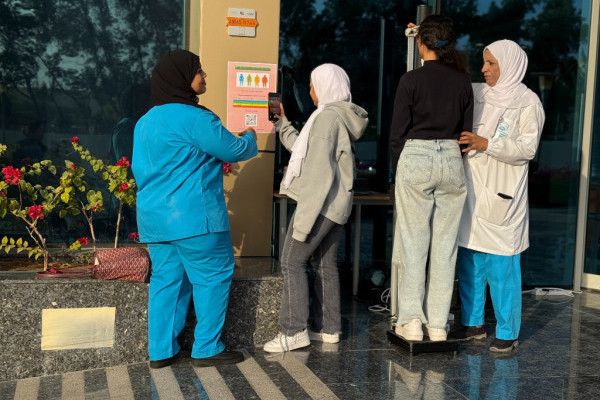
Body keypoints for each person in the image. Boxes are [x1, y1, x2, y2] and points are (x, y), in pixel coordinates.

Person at [132, 50, 258, 368]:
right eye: (199, 71)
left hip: (156, 222)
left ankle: (161, 351)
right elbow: (233, 150)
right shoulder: (196, 118)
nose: (204, 76)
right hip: (194, 219)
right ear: (182, 77)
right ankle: (207, 348)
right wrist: (251, 138)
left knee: (166, 282)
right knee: (213, 275)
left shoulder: (144, 122)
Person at [263, 63, 368, 352]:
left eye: (312, 85)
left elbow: (318, 175)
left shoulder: (326, 120)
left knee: (291, 261)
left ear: (324, 87)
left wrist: (303, 222)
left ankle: (294, 330)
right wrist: (282, 124)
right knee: (324, 264)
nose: (309, 91)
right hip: (335, 205)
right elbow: (304, 150)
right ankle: (328, 328)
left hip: (320, 205)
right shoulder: (336, 117)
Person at [455, 39, 545, 353]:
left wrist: (487, 143)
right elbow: (449, 85)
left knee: (502, 268)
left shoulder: (528, 102)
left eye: (491, 63)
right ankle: (473, 323)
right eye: (484, 62)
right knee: (470, 262)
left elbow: (527, 149)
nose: (484, 69)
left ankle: (508, 331)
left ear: (509, 65)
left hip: (501, 195)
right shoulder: (478, 93)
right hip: (472, 193)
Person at [390, 15, 473, 342]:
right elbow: (466, 133)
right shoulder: (463, 81)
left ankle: (411, 321)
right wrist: (451, 157)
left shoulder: (411, 80)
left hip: (416, 156)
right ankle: (437, 325)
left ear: (422, 43)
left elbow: (397, 134)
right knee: (445, 247)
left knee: (413, 242)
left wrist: (399, 170)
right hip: (452, 157)